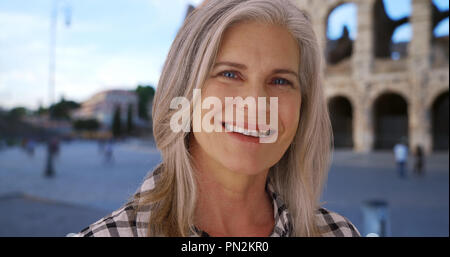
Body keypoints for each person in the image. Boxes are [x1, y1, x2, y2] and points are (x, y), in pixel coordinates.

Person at [76, 0, 360, 237]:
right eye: (230, 74)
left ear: (303, 105)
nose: (257, 104)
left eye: (281, 80)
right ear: (184, 90)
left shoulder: (338, 232)